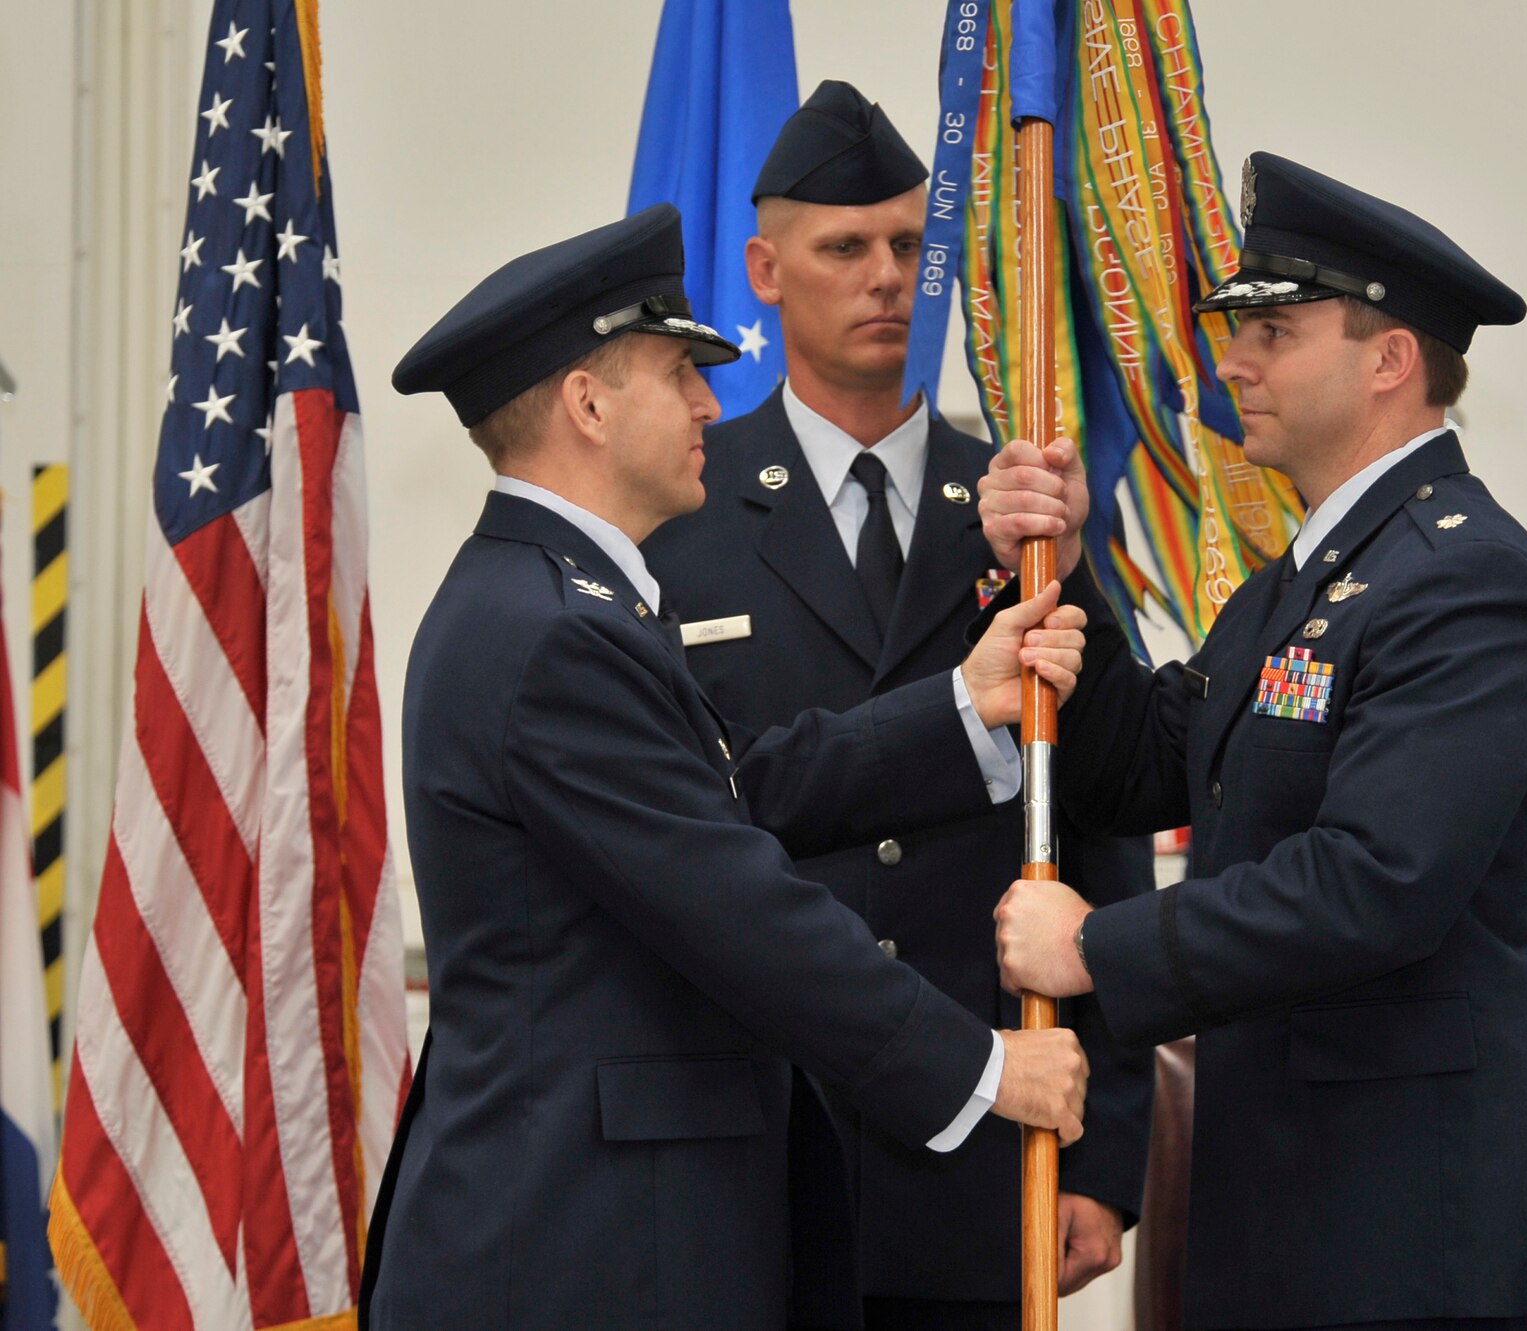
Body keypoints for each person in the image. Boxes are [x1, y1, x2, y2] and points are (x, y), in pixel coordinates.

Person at [362, 202, 1097, 1331]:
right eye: (678, 373)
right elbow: (730, 898)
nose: (712, 400)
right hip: (578, 1245)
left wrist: (964, 702)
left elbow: (732, 793)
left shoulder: (556, 601)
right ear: (589, 403)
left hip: (605, 1231)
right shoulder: (553, 627)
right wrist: (981, 1064)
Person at [982, 154, 1527, 1330]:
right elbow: (1144, 762)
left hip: (1417, 1244)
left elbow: (1375, 881)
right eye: (1236, 330)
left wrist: (1096, 949)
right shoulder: (1306, 577)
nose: (1231, 361)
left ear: (1389, 359)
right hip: (1288, 1220)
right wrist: (1065, 572)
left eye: (1272, 330)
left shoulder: (1462, 578)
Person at [643, 80, 1153, 1331]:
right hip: (757, 1140)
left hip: (980, 1154)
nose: (884, 277)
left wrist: (1106, 1156)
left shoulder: (1022, 506)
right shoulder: (682, 518)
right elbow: (682, 820)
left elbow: (1098, 820)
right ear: (764, 268)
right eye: (843, 248)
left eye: (911, 246)